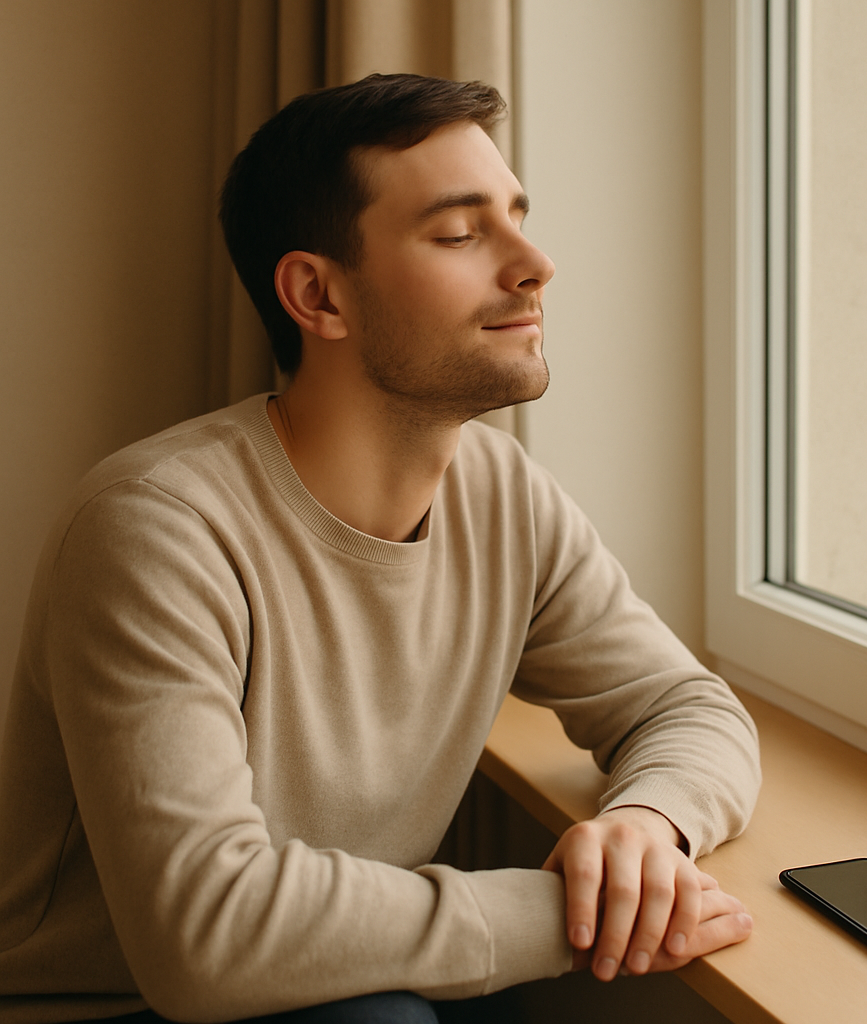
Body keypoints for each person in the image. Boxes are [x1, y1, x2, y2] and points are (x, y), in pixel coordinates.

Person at [0, 74, 760, 1024]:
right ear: (317, 295)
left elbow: (684, 704)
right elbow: (207, 932)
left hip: (343, 972)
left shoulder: (503, 494)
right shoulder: (154, 528)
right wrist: (574, 914)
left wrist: (652, 823)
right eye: (459, 233)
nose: (535, 264)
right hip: (106, 1005)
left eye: (517, 217)